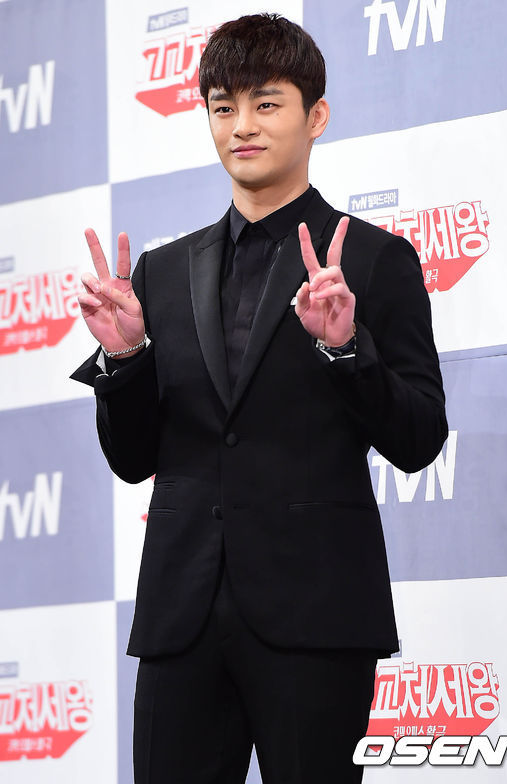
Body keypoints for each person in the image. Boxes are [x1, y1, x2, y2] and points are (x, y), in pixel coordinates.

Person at [72, 12, 447, 784]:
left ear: (317, 117)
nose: (241, 125)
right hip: (180, 617)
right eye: (223, 106)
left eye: (266, 103)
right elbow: (133, 460)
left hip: (316, 617)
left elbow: (419, 439)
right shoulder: (160, 274)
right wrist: (127, 358)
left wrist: (346, 349)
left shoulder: (374, 260)